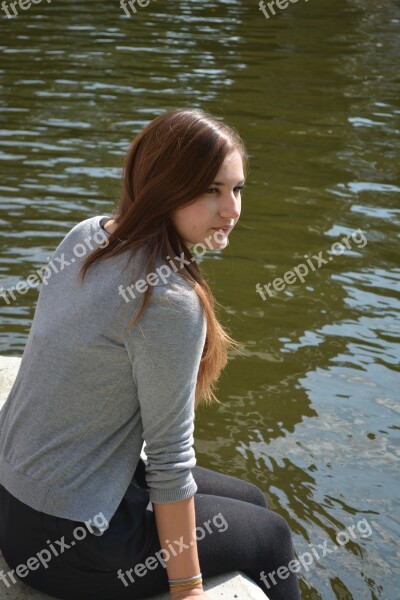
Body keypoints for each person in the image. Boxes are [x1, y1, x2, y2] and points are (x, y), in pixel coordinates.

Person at [0, 108, 301, 600]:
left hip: (12, 504)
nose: (232, 210)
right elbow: (168, 461)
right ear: (165, 186)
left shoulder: (88, 234)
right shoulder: (166, 302)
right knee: (271, 536)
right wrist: (187, 589)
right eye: (211, 190)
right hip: (70, 543)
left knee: (251, 499)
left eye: (237, 189)